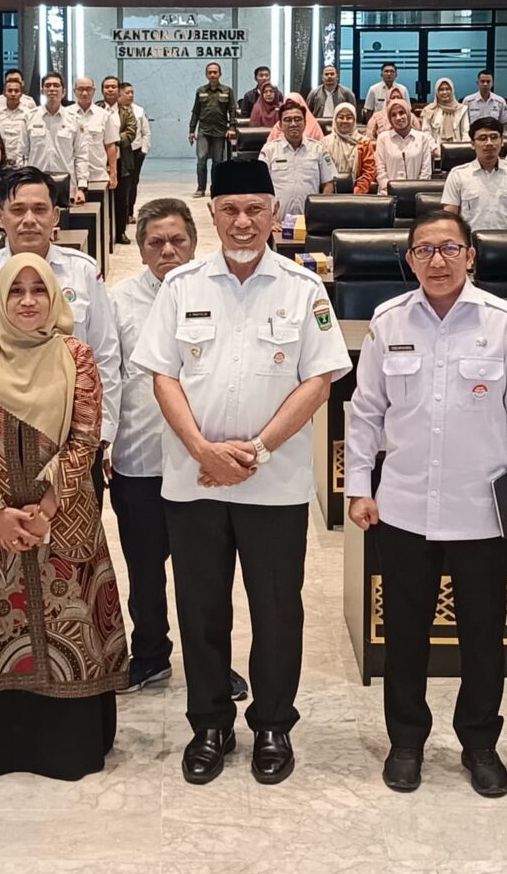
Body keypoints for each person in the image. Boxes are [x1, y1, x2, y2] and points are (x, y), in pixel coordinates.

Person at [130, 159, 351, 786]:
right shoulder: (182, 286)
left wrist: (255, 450)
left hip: (273, 483)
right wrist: (203, 450)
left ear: (275, 213)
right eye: (230, 210)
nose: (243, 222)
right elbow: (162, 376)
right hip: (192, 479)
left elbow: (319, 380)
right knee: (201, 608)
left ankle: (273, 723)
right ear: (213, 215)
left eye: (255, 208)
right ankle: (209, 724)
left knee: (277, 610)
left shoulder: (303, 288)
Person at [346, 210, 507, 796]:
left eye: (449, 248)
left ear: (471, 255)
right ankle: (406, 741)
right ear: (410, 260)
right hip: (405, 506)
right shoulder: (388, 321)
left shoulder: (506, 323)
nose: (437, 260)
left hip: (481, 510)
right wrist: (358, 485)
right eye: (424, 250)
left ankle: (480, 743)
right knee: (405, 635)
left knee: (482, 637)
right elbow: (366, 412)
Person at [0, 250, 125, 779]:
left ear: (54, 297)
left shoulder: (76, 356)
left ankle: (67, 745)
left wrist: (46, 508)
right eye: (15, 291)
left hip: (64, 520)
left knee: (70, 622)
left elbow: (86, 436)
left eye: (38, 290)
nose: (27, 301)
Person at [0, 169, 118, 435]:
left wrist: (101, 434)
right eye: (17, 210)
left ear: (55, 216)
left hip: (72, 431)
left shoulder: (83, 271)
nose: (29, 220)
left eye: (39, 209)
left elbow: (105, 356)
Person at [112, 199, 198, 693]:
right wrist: (104, 443)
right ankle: (149, 654)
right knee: (144, 570)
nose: (167, 250)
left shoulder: (216, 293)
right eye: (156, 242)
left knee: (202, 573)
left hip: (202, 461)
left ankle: (210, 663)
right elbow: (106, 377)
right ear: (142, 249)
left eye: (177, 240)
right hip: (139, 457)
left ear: (194, 243)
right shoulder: (119, 301)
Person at [442, 118, 507, 232]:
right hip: (470, 240)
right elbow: (450, 215)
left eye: (494, 137)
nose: (489, 143)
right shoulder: (458, 175)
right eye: (482, 138)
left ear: (502, 141)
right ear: (472, 144)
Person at [260, 98, 337, 228]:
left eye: (298, 119)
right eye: (287, 120)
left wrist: (319, 214)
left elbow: (328, 184)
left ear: (305, 123)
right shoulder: (269, 150)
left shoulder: (318, 149)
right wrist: (269, 219)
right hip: (277, 223)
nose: (293, 124)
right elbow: (260, 187)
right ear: (280, 125)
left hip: (310, 223)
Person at [68, 77, 120, 245]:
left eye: (88, 89)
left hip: (97, 176)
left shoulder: (104, 115)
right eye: (80, 89)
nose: (84, 93)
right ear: (74, 91)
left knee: (99, 224)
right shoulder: (67, 115)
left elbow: (110, 146)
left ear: (94, 91)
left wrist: (113, 173)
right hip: (72, 179)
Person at [24, 74, 85, 198]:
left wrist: (82, 188)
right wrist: (23, 182)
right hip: (36, 184)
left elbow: (81, 155)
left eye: (56, 85)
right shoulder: (29, 117)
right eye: (48, 86)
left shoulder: (74, 119)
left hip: (66, 186)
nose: (52, 89)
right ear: (42, 91)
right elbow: (22, 154)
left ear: (64, 92)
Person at [189, 61, 240, 196]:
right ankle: (201, 188)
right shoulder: (201, 91)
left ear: (220, 74)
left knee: (218, 161)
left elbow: (233, 111)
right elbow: (195, 112)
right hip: (203, 131)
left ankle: (216, 188)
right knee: (201, 160)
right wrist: (191, 130)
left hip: (220, 131)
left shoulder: (227, 91)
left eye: (215, 72)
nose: (212, 75)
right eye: (210, 72)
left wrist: (232, 127)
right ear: (206, 74)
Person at [112, 80, 152, 244]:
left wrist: (143, 150)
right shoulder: (110, 110)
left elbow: (145, 132)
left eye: (132, 92)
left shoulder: (139, 111)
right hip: (116, 152)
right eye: (127, 92)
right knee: (121, 188)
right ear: (119, 94)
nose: (130, 95)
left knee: (132, 183)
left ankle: (129, 212)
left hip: (135, 151)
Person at [371, 97, 435, 184]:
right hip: (387, 190)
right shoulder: (383, 138)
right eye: (393, 115)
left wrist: (417, 188)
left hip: (417, 190)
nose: (398, 117)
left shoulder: (422, 138)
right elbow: (380, 170)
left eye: (401, 113)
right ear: (390, 119)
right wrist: (388, 188)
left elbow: (426, 172)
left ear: (408, 114)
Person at [321, 102, 375, 197]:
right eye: (341, 117)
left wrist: (357, 192)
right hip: (329, 193)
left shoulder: (364, 143)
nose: (345, 121)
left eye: (349, 118)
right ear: (335, 119)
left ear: (354, 120)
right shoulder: (324, 143)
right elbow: (321, 171)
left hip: (357, 195)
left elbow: (369, 171)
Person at [0, 72, 36, 163]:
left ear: (21, 94)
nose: (13, 94)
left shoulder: (29, 114)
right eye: (10, 91)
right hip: (1, 160)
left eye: (16, 91)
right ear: (4, 93)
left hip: (22, 160)